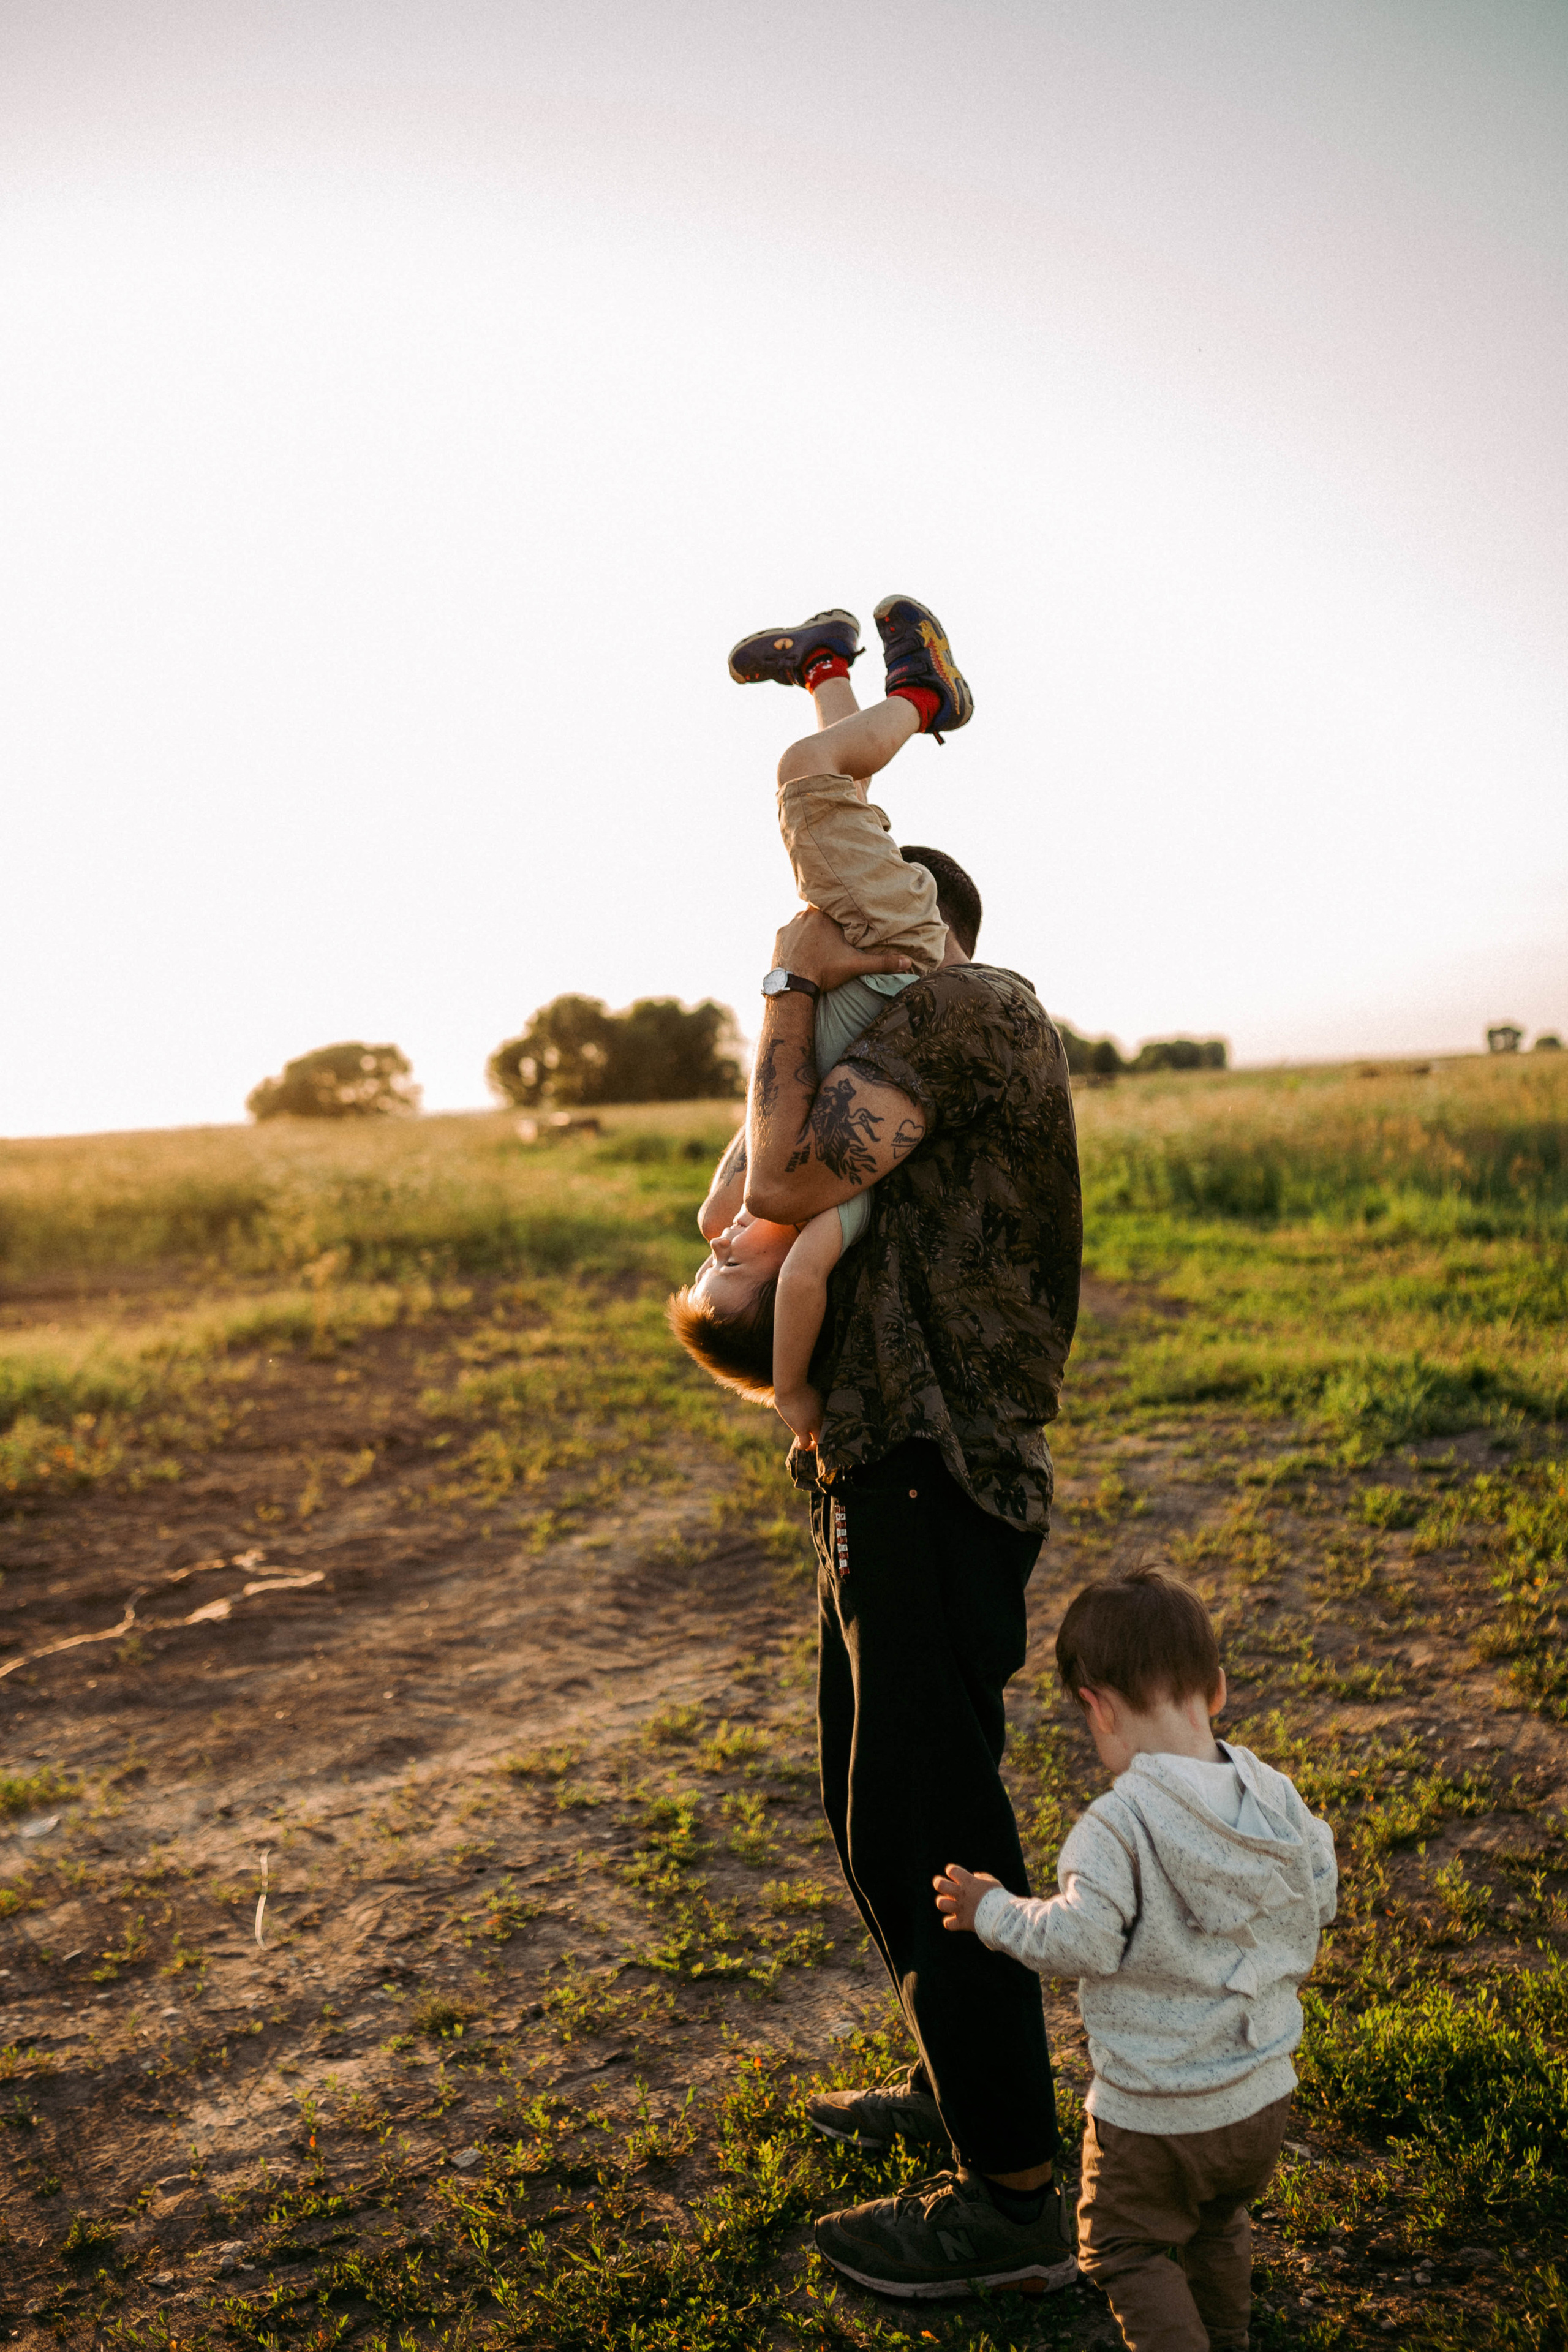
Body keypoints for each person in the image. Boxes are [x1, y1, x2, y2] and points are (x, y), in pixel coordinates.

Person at [670, 594, 1086, 2301]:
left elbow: (782, 1188)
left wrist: (785, 983)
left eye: (850, 922)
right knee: (872, 1812)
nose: (825, 932)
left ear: (914, 934)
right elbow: (746, 1219)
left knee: (933, 1811)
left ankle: (1007, 2205)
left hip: (943, 1468)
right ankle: (954, 2092)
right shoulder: (893, 1023)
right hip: (866, 1471)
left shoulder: (972, 1016)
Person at [935, 1569, 1338, 2350]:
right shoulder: (1276, 1795)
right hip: (1259, 2099)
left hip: (1154, 2118)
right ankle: (1227, 2337)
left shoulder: (1115, 1828)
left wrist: (993, 1911)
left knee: (1122, 2248)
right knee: (1216, 2223)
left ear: (1098, 1707)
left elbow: (1077, 1939)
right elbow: (1319, 1889)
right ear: (1216, 1689)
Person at [667, 600, 979, 1442]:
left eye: (706, 1262)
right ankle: (925, 696)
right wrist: (793, 1392)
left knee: (833, 795)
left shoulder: (772, 1198)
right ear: (778, 1292)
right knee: (808, 776)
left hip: (863, 952)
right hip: (900, 950)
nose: (718, 1248)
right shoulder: (832, 1216)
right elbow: (802, 1282)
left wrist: (723, 1224)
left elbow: (739, 1180)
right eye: (730, 1272)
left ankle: (825, 668)